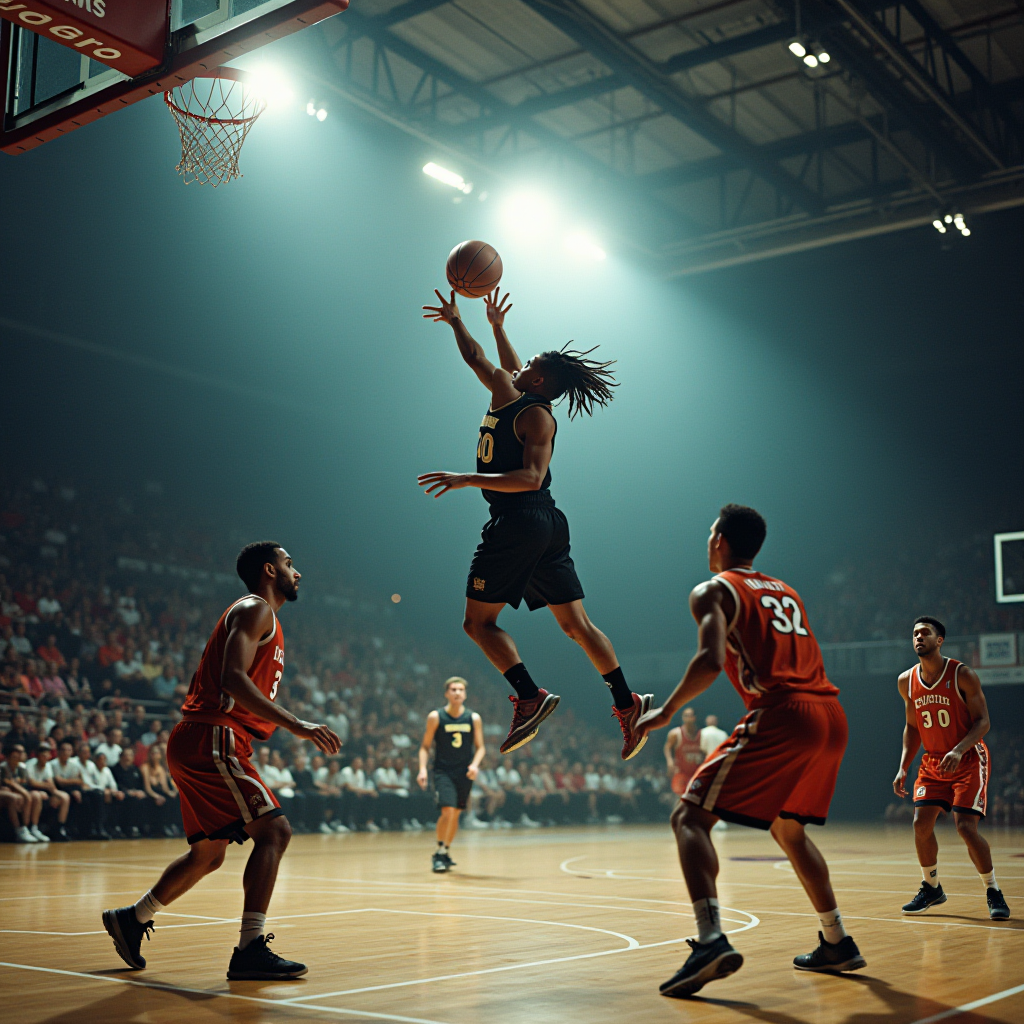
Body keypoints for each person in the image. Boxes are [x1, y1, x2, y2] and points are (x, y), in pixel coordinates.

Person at [635, 505, 865, 998]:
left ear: (718, 539)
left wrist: (668, 709)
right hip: (830, 714)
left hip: (785, 712)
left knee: (688, 819)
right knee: (789, 829)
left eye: (709, 533)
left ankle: (711, 939)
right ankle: (837, 941)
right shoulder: (786, 590)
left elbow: (710, 659)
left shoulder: (712, 590)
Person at [419, 287, 651, 759]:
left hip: (517, 518)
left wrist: (457, 321)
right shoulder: (534, 406)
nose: (517, 366)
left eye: (526, 367)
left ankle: (529, 695)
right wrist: (499, 325)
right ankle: (627, 704)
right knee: (577, 625)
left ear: (537, 378)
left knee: (478, 623)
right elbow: (509, 367)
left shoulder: (515, 399)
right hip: (547, 521)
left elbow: (480, 364)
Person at [102, 542, 340, 981]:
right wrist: (297, 724)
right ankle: (250, 948)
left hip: (205, 737)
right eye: (290, 564)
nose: (298, 572)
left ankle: (131, 919)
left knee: (208, 855)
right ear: (270, 570)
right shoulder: (255, 609)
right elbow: (232, 679)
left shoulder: (263, 616)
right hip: (214, 733)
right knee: (276, 831)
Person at [893, 616, 1009, 920]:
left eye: (924, 633)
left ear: (939, 640)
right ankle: (931, 887)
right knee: (920, 824)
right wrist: (903, 766)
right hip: (933, 761)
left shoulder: (962, 674)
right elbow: (911, 726)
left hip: (968, 757)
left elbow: (983, 721)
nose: (918, 638)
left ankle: (993, 890)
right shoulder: (906, 680)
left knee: (965, 828)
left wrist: (959, 749)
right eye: (915, 633)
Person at [417, 677, 486, 872]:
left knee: (455, 814)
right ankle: (438, 852)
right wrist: (422, 768)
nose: (457, 693)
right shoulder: (436, 717)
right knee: (447, 810)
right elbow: (424, 746)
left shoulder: (473, 718)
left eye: (461, 690)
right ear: (446, 693)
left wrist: (475, 765)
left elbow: (480, 748)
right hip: (443, 770)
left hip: (464, 772)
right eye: (453, 689)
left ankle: (446, 851)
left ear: (465, 694)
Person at [664, 707, 705, 797]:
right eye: (685, 716)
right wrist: (669, 761)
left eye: (690, 716)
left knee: (695, 801)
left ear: (695, 717)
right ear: (682, 718)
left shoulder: (702, 734)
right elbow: (667, 747)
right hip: (681, 774)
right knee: (681, 799)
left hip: (696, 774)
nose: (688, 718)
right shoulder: (676, 733)